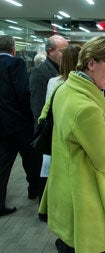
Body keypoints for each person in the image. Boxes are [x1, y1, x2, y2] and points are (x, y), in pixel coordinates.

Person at [38, 36, 105, 253]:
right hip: (87, 201)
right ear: (91, 63)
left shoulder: (65, 89)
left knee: (68, 249)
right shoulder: (88, 108)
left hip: (66, 189)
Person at [0, 35, 42, 216]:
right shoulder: (15, 64)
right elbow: (24, 93)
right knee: (32, 159)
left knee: (2, 165)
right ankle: (35, 191)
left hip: (2, 126)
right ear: (13, 49)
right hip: (19, 124)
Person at [38, 44, 81, 222]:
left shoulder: (54, 82)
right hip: (73, 138)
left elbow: (47, 110)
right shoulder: (84, 85)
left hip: (56, 136)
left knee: (53, 177)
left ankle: (48, 211)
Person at [30, 35, 69, 126]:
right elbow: (38, 107)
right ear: (50, 51)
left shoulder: (64, 69)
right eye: (63, 51)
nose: (67, 55)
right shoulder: (39, 72)